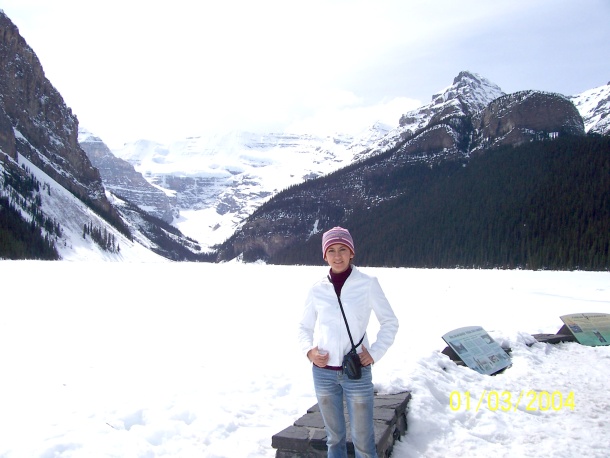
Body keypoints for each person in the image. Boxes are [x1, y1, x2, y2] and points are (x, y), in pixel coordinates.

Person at [298, 227, 399, 458]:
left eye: (343, 249)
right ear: (325, 256)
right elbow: (304, 327)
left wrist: (375, 352)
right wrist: (308, 351)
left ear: (351, 252)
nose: (337, 255)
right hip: (323, 373)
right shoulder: (317, 289)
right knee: (334, 440)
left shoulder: (367, 283)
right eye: (331, 250)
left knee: (364, 442)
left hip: (357, 371)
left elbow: (390, 322)